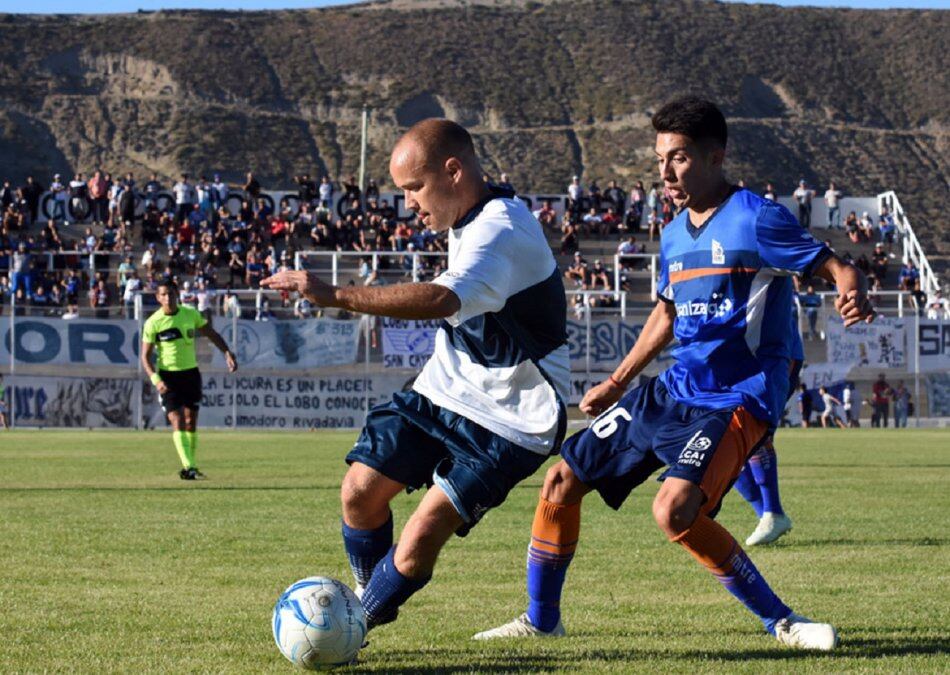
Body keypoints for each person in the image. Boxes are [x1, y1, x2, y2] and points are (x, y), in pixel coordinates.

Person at [475, 97, 874, 650]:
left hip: (737, 397)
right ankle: (541, 618)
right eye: (660, 159)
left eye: (679, 158)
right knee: (561, 480)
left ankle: (783, 622)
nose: (665, 172)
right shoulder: (675, 233)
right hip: (673, 391)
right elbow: (666, 313)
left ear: (715, 157)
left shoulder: (758, 218)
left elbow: (837, 266)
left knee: (675, 510)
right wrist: (617, 381)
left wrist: (850, 287)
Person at [261, 119, 569, 633]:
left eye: (413, 189)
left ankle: (353, 627)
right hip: (446, 387)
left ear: (453, 171)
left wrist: (335, 295)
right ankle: (364, 602)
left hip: (516, 414)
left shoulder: (501, 229)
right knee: (359, 492)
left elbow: (441, 299)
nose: (408, 204)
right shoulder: (467, 215)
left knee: (423, 531)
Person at [141, 279, 238, 480]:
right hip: (168, 377)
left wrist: (227, 352)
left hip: (191, 374)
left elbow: (210, 332)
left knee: (190, 420)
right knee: (176, 419)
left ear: (177, 294)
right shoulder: (153, 323)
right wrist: (156, 380)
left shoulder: (190, 314)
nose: (168, 298)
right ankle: (189, 467)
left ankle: (191, 466)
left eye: (171, 293)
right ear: (158, 298)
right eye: (164, 295)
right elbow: (145, 357)